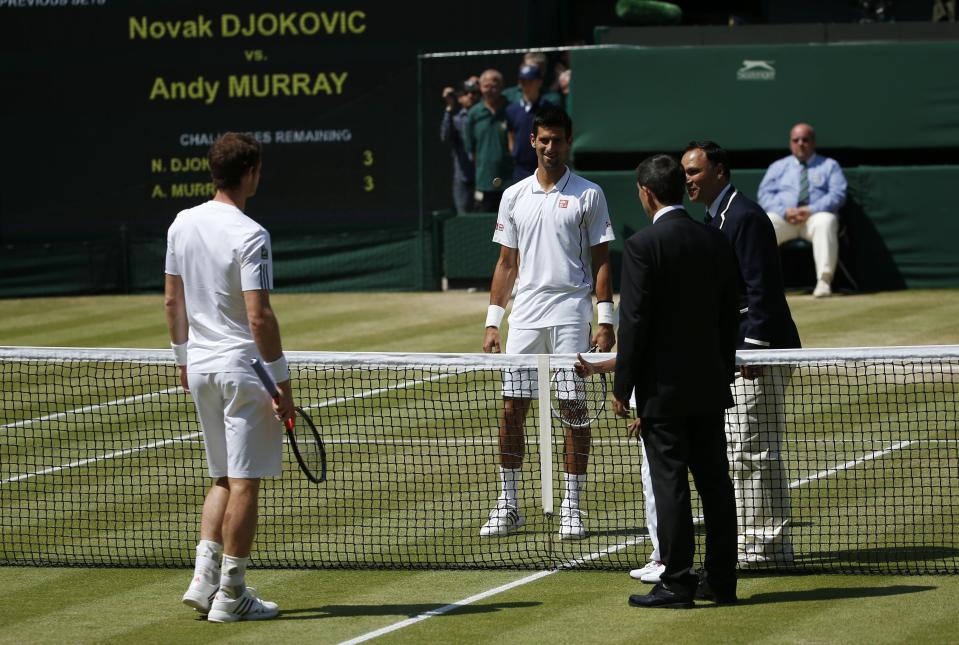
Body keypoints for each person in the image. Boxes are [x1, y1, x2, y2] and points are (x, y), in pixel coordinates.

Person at [166, 132, 295, 623]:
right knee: (245, 482)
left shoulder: (181, 223)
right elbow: (258, 317)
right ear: (249, 174)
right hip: (243, 370)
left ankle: (204, 579)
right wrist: (281, 384)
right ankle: (232, 593)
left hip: (199, 367)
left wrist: (182, 357)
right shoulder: (250, 233)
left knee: (222, 475)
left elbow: (171, 301)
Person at [481, 105, 616, 540]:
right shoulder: (514, 195)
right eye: (543, 140)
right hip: (525, 316)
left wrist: (605, 317)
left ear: (568, 142)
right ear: (532, 142)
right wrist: (492, 322)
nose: (550, 147)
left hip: (571, 311)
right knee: (511, 409)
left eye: (557, 140)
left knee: (573, 410)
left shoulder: (589, 194)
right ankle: (509, 504)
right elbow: (506, 263)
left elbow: (601, 261)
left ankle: (572, 507)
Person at [614, 154, 740, 608]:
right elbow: (731, 316)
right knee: (715, 485)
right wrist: (721, 371)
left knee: (671, 486)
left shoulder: (642, 246)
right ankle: (722, 581)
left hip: (663, 393)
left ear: (646, 194)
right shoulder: (714, 240)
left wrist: (621, 390)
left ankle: (678, 582)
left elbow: (635, 324)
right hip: (709, 387)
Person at [682, 140, 802, 567]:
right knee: (744, 448)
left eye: (694, 172)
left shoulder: (745, 217)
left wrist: (754, 350)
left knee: (753, 449)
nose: (687, 180)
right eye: (684, 173)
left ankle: (767, 547)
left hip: (759, 354)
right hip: (734, 354)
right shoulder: (716, 218)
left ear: (719, 171)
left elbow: (763, 291)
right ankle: (761, 543)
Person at [574, 354, 664, 584]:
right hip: (655, 402)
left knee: (660, 485)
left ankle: (669, 560)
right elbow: (632, 354)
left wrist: (650, 411)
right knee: (651, 483)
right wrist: (595, 368)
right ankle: (661, 557)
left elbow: (650, 354)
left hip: (663, 400)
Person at [758, 123, 848, 298]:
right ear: (790, 143)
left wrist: (811, 209)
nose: (800, 143)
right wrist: (784, 211)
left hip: (814, 218)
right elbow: (764, 194)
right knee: (764, 223)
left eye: (805, 140)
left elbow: (838, 194)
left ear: (813, 142)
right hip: (785, 219)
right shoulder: (778, 166)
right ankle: (760, 283)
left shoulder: (830, 165)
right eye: (796, 140)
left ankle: (824, 281)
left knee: (826, 221)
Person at [465, 69, 513, 212]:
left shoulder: (510, 109)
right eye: (486, 86)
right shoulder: (474, 113)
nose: (490, 90)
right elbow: (470, 148)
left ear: (501, 87)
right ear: (480, 87)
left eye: (494, 86)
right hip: (484, 179)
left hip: (509, 177)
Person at [505, 64, 557, 182]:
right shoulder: (511, 110)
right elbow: (511, 135)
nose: (526, 85)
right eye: (523, 81)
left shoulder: (549, 108)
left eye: (530, 81)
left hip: (545, 167)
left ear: (539, 82)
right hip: (520, 170)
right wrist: (515, 152)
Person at [440, 77, 481, 213]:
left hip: (483, 177)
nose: (470, 96)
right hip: (463, 177)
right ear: (459, 98)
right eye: (465, 93)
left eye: (474, 92)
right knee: (464, 217)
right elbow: (446, 136)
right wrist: (449, 107)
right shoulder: (456, 119)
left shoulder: (485, 116)